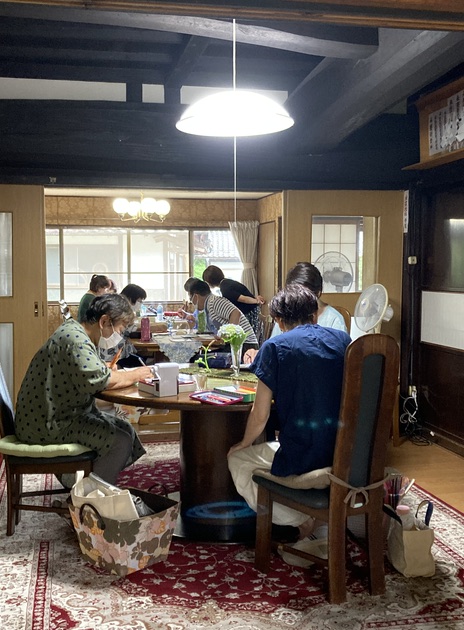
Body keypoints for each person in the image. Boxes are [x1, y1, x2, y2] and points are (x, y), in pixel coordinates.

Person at [227, 284, 350, 540]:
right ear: (314, 315)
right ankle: (318, 521)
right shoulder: (343, 340)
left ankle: (302, 520)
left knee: (237, 459)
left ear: (279, 321)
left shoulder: (274, 347)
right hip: (346, 453)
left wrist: (244, 443)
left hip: (304, 456)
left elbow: (260, 414)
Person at [15, 293, 154, 485]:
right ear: (104, 321)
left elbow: (88, 371)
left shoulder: (75, 331)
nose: (119, 337)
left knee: (126, 430)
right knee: (120, 442)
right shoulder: (76, 341)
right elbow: (99, 381)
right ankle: (89, 497)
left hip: (47, 416)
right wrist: (136, 374)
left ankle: (83, 482)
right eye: (120, 330)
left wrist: (104, 368)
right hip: (48, 424)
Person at [243, 261, 348, 364]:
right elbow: (272, 348)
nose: (298, 302)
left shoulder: (334, 319)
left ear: (318, 293)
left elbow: (337, 359)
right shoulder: (286, 314)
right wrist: (257, 353)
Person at [187, 278, 258, 355]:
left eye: (191, 298)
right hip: (237, 344)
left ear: (196, 296)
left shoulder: (214, 301)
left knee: (202, 356)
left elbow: (235, 313)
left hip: (245, 345)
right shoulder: (208, 305)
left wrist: (228, 335)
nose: (192, 302)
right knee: (201, 354)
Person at [202, 265, 265, 338]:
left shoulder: (225, 288)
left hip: (250, 313)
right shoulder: (227, 282)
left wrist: (256, 301)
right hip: (250, 311)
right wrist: (255, 299)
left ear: (210, 282)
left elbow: (243, 299)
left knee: (245, 336)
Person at [99, 283, 148, 368]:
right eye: (139, 301)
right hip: (110, 354)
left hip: (114, 352)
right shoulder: (121, 309)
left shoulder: (118, 303)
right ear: (132, 298)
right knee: (140, 362)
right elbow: (128, 330)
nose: (140, 304)